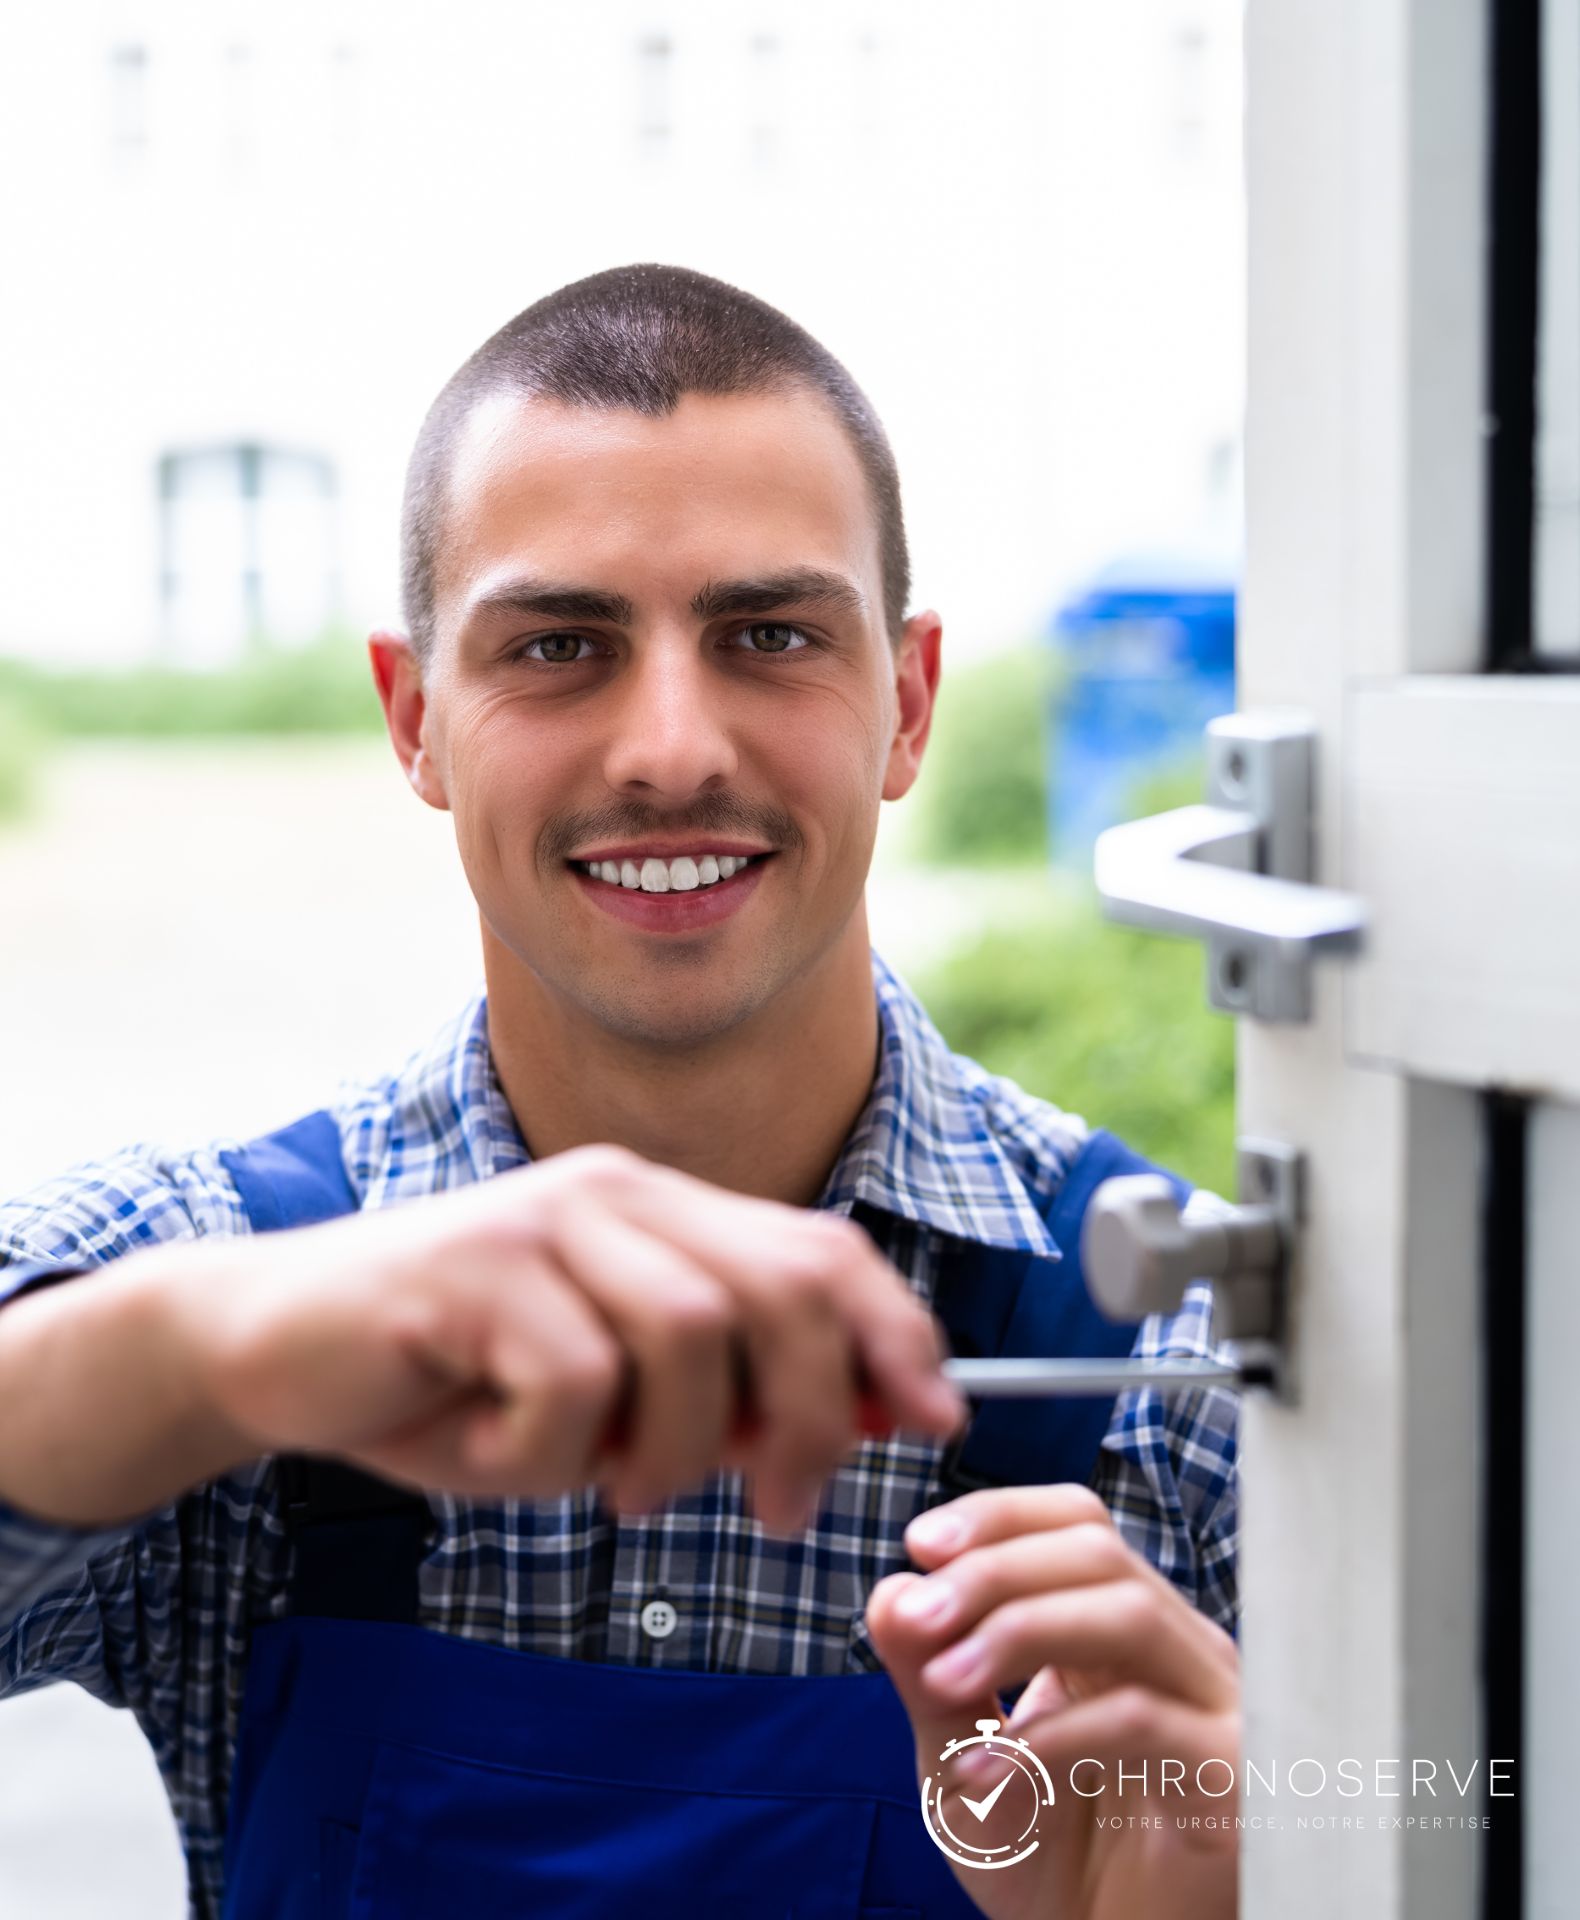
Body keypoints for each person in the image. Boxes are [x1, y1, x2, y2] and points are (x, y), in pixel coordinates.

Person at [0, 264, 1241, 1919]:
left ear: (912, 699)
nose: (670, 745)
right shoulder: (224, 1280)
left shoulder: (1199, 1366)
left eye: (770, 634)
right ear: (415, 716)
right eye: (561, 645)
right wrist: (200, 1345)